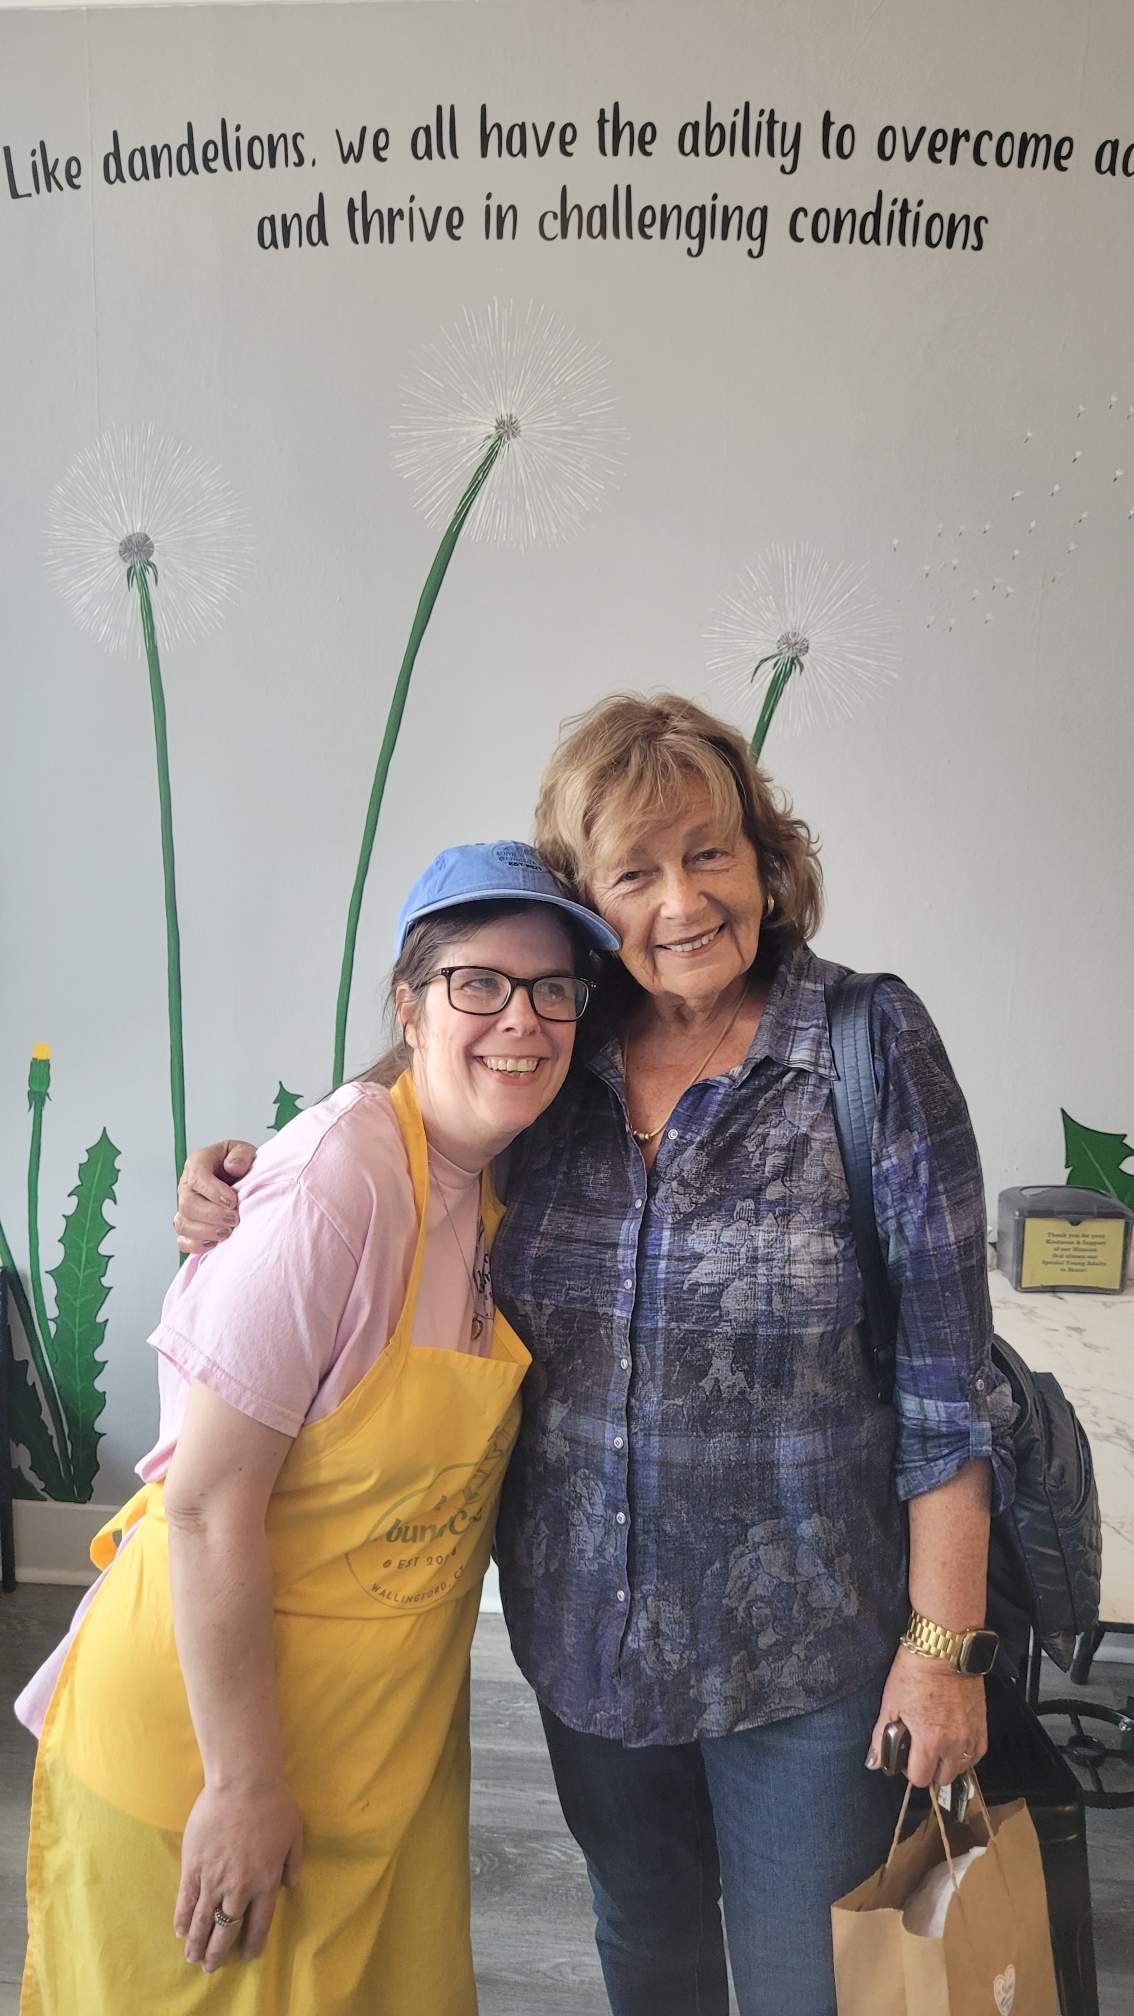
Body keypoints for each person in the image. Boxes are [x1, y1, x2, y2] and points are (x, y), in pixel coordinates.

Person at [177, 694, 1016, 2016]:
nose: (681, 900)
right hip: (586, 1654)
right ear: (583, 900)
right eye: (633, 869)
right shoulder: (543, 1057)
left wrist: (943, 1646)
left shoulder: (864, 1046)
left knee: (814, 1987)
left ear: (765, 862)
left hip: (805, 1659)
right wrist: (238, 1173)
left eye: (710, 853)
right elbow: (389, 1131)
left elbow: (944, 1382)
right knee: (647, 1953)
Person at [17, 840, 618, 2016]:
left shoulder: (505, 1175)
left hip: (376, 1754)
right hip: (211, 1757)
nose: (524, 1018)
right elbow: (202, 1502)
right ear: (410, 1001)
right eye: (479, 983)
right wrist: (242, 1786)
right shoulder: (338, 1177)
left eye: (555, 991)